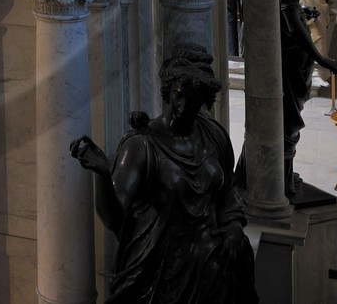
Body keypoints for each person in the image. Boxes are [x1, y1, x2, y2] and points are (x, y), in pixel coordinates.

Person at [69, 45, 256, 304]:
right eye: (179, 95)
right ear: (168, 91)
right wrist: (102, 174)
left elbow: (229, 192)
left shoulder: (214, 135)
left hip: (212, 250)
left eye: (195, 99)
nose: (184, 105)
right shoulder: (141, 145)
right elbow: (115, 219)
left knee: (238, 256)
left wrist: (234, 226)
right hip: (161, 261)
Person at [275, 0, 337, 194]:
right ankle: (280, 181)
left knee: (286, 117)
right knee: (289, 120)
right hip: (291, 59)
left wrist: (302, 9)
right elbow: (294, 29)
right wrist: (322, 60)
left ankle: (281, 176)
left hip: (285, 57)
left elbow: (289, 17)